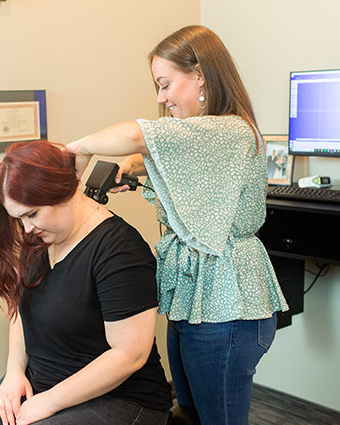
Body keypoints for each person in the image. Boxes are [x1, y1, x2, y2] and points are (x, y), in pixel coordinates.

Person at [66, 25, 289, 425]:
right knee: (187, 413)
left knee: (217, 418)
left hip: (227, 304)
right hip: (194, 298)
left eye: (165, 84)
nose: (160, 98)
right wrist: (132, 169)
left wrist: (78, 148)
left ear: (200, 75)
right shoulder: (201, 138)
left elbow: (139, 135)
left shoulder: (229, 129)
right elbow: (156, 157)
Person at [0, 140, 172, 425]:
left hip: (120, 398)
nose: (26, 228)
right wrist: (14, 372)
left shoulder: (119, 250)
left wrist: (50, 401)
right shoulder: (40, 239)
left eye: (32, 214)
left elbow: (130, 355)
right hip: (42, 382)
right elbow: (21, 308)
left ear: (64, 192)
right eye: (18, 218)